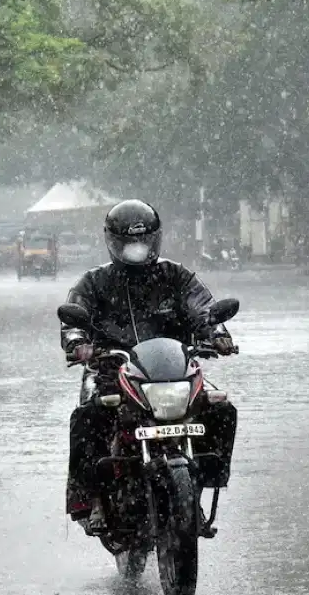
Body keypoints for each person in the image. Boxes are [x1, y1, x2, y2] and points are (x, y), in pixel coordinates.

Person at [60, 200, 238, 534]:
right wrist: (77, 343)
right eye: (129, 243)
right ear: (114, 242)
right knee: (88, 417)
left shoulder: (176, 277)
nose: (137, 250)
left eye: (142, 242)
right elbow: (73, 317)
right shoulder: (95, 282)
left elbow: (204, 308)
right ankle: (93, 498)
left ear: (155, 239)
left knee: (221, 409)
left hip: (172, 373)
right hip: (112, 371)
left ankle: (200, 485)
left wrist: (217, 334)